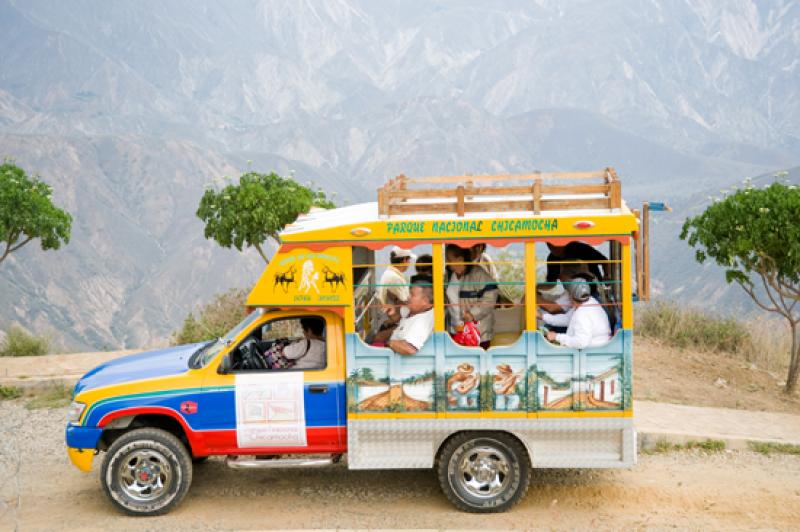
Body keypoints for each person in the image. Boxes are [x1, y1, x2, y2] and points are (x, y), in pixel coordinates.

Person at [445, 244, 498, 349]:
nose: (447, 263)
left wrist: (472, 314)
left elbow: (490, 298)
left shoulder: (479, 274)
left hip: (478, 333)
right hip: (454, 330)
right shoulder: (448, 275)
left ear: (460, 259)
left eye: (449, 259)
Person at [539, 274, 611, 349]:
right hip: (598, 347)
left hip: (591, 353)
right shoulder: (590, 302)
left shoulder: (581, 314)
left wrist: (557, 337)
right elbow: (567, 319)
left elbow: (580, 343)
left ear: (570, 296)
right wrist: (542, 316)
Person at [386, 284, 435, 355]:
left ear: (425, 301)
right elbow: (399, 319)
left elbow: (410, 349)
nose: (408, 297)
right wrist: (393, 314)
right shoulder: (415, 309)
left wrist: (390, 343)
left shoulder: (421, 322)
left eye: (412, 295)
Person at [378, 246, 415, 321]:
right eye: (409, 260)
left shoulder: (392, 274)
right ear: (404, 260)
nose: (409, 263)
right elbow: (405, 302)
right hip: (397, 319)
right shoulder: (394, 278)